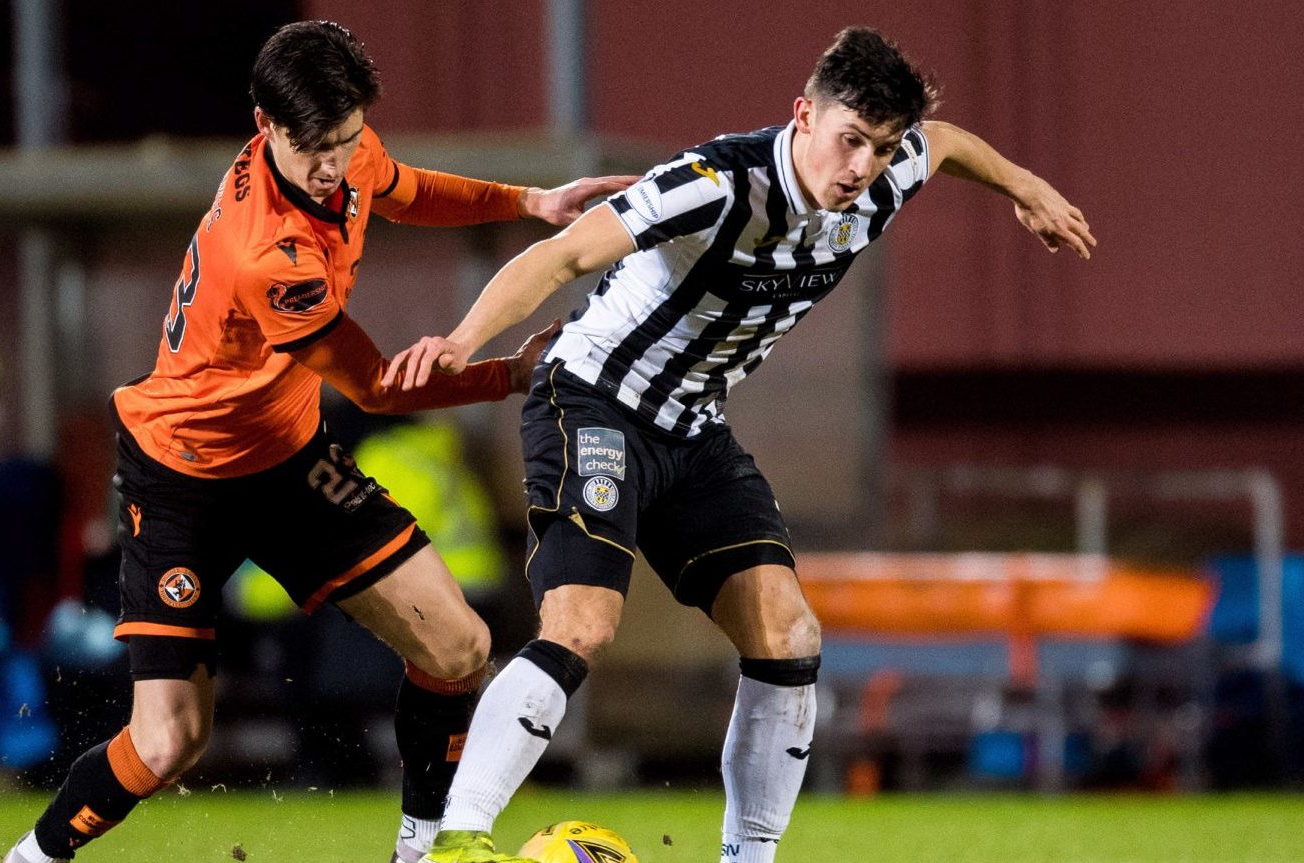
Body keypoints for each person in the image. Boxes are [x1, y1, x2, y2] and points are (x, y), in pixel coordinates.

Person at [388, 26, 1096, 863]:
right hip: (594, 400)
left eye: (880, 148)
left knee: (788, 634)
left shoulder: (886, 176)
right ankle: (455, 844)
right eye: (849, 141)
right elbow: (565, 253)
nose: (862, 166)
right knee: (583, 620)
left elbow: (941, 143)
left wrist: (1023, 186)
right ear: (802, 116)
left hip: (692, 426)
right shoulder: (714, 184)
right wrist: (467, 339)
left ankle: (747, 859)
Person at [5, 20, 631, 863]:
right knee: (167, 743)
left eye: (345, 140)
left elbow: (401, 185)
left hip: (288, 460)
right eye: (316, 150)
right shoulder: (267, 253)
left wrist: (527, 202)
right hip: (181, 476)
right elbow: (374, 385)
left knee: (459, 647)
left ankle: (421, 853)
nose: (335, 163)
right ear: (264, 125)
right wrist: (508, 373)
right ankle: (31, 858)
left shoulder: (335, 144)